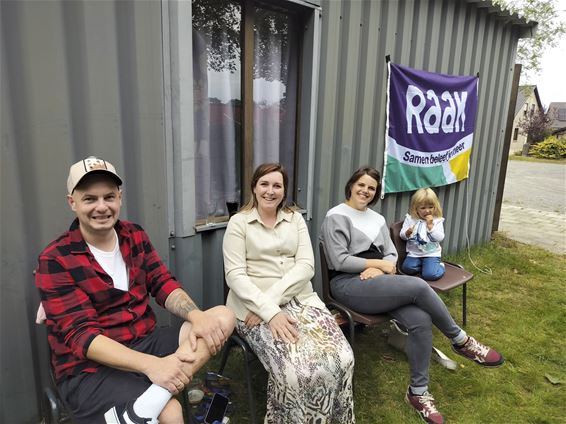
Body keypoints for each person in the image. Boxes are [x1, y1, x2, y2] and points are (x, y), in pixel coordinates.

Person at [35, 156, 235, 424]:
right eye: (90, 199)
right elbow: (84, 338)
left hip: (143, 342)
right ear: (72, 202)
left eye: (109, 197)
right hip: (90, 369)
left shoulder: (133, 235)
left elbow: (162, 283)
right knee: (171, 412)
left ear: (120, 197)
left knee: (222, 317)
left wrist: (197, 317)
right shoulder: (56, 259)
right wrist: (154, 365)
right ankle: (155, 399)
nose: (102, 207)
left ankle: (149, 400)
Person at [320, 166, 504, 424]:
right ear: (351, 185)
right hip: (348, 284)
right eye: (361, 185)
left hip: (381, 280)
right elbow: (338, 260)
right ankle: (460, 340)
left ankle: (417, 392)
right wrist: (378, 266)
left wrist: (384, 267)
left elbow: (392, 254)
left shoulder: (377, 220)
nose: (365, 191)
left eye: (371, 188)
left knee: (420, 320)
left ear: (375, 193)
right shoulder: (335, 216)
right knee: (418, 287)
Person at [222, 163, 355, 423]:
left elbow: (307, 266)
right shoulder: (239, 223)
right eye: (264, 184)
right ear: (254, 187)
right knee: (295, 372)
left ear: (284, 191)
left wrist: (271, 302)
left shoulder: (295, 219)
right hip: (252, 310)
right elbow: (235, 276)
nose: (270, 191)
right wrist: (269, 312)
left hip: (300, 301)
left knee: (342, 357)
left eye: (277, 185)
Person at [400, 188, 445, 281]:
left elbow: (440, 237)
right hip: (414, 254)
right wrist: (407, 233)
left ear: (435, 207)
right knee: (406, 268)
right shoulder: (410, 219)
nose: (427, 211)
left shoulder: (437, 220)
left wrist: (431, 227)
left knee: (430, 275)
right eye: (423, 208)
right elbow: (402, 236)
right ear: (415, 208)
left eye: (430, 207)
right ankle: (426, 267)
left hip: (431, 253)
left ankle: (440, 267)